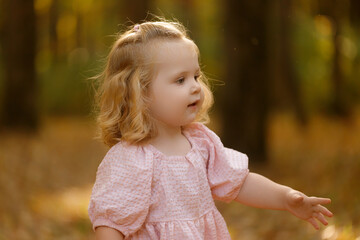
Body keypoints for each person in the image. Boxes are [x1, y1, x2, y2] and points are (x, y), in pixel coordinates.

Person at [87, 19, 333, 240]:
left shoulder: (200, 142)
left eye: (196, 75)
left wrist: (285, 198)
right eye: (180, 80)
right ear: (140, 93)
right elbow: (111, 222)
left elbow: (239, 181)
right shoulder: (131, 158)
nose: (195, 87)